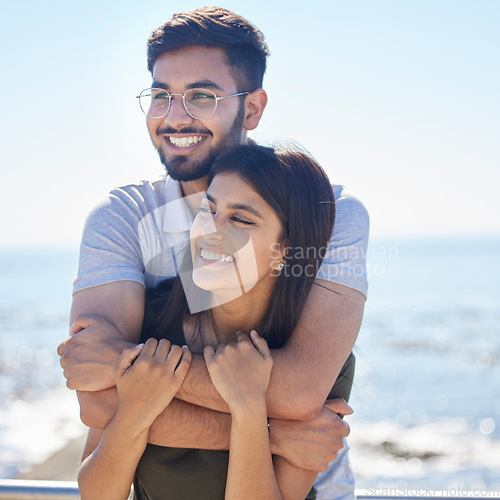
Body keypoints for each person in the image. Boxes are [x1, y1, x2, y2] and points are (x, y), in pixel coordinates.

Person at [57, 7, 369, 499]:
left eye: (201, 95)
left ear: (251, 108)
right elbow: (96, 403)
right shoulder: (124, 216)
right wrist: (275, 435)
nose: (175, 115)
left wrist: (128, 367)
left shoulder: (326, 208)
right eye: (161, 95)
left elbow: (297, 391)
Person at [78, 144, 356, 500]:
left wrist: (250, 407)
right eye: (207, 210)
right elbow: (97, 495)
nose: (210, 231)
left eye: (240, 220)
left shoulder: (318, 362)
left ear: (284, 251)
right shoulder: (148, 319)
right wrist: (134, 410)